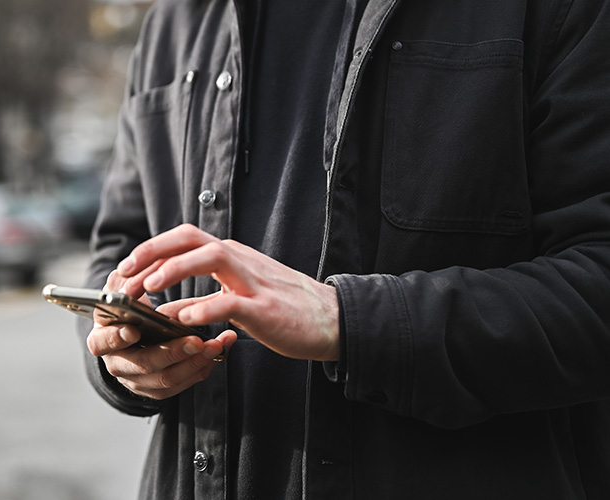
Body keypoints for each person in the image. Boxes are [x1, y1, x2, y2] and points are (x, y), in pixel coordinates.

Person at [78, 0, 610, 498]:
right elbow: (119, 249)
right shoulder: (175, 19)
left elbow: (596, 283)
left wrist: (347, 322)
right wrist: (123, 357)